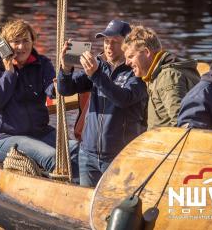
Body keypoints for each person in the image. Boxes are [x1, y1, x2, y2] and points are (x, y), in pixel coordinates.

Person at [0, 19, 78, 175]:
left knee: (78, 151)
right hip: (3, 138)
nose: (21, 46)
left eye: (26, 40)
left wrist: (63, 74)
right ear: (5, 45)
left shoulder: (42, 63)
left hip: (40, 133)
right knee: (51, 157)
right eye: (15, 42)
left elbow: (52, 90)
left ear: (33, 42)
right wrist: (9, 73)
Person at [57, 19, 148, 187]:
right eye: (106, 41)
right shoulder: (98, 66)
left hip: (118, 157)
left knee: (113, 208)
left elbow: (123, 98)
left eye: (115, 42)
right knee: (85, 207)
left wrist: (96, 74)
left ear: (127, 45)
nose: (109, 46)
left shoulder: (136, 71)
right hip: (88, 154)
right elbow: (65, 89)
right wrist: (66, 68)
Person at [124, 25, 200, 129]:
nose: (127, 63)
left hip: (168, 144)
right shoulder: (157, 75)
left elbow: (182, 123)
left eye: (131, 56)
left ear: (146, 52)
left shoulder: (167, 77)